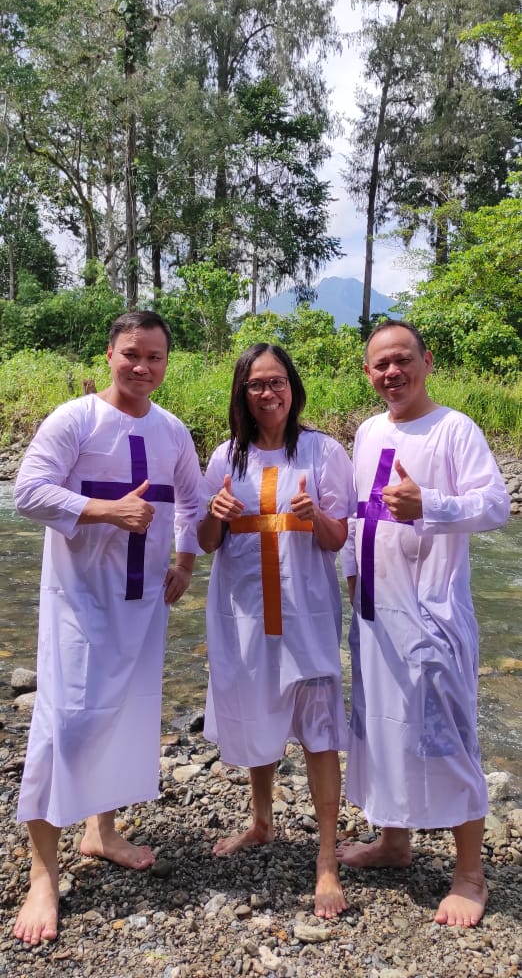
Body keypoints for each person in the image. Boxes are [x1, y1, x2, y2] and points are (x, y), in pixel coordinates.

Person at [12, 311, 201, 947]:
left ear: (167, 361)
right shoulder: (76, 419)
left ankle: (101, 830)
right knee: (63, 724)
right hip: (79, 600)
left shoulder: (172, 430)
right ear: (110, 354)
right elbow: (28, 491)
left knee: (122, 714)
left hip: (142, 601)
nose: (142, 367)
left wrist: (184, 562)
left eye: (154, 356)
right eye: (131, 354)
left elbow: (191, 502)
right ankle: (43, 873)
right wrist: (103, 509)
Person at [336, 320, 510, 928]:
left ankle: (470, 874)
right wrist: (350, 570)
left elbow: (495, 505)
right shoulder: (367, 432)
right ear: (368, 372)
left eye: (403, 359)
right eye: (381, 364)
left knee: (447, 734)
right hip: (374, 612)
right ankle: (394, 840)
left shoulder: (454, 429)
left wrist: (429, 504)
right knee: (383, 729)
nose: (393, 372)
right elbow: (358, 514)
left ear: (427, 361)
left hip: (432, 613)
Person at [198, 343, 356, 919]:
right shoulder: (227, 456)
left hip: (304, 612)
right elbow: (206, 543)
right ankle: (261, 821)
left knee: (319, 727)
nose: (269, 393)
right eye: (257, 384)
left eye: (277, 381)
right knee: (257, 708)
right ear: (243, 392)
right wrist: (213, 515)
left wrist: (318, 518)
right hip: (243, 611)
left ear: (293, 386)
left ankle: (326, 858)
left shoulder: (323, 451)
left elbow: (339, 539)